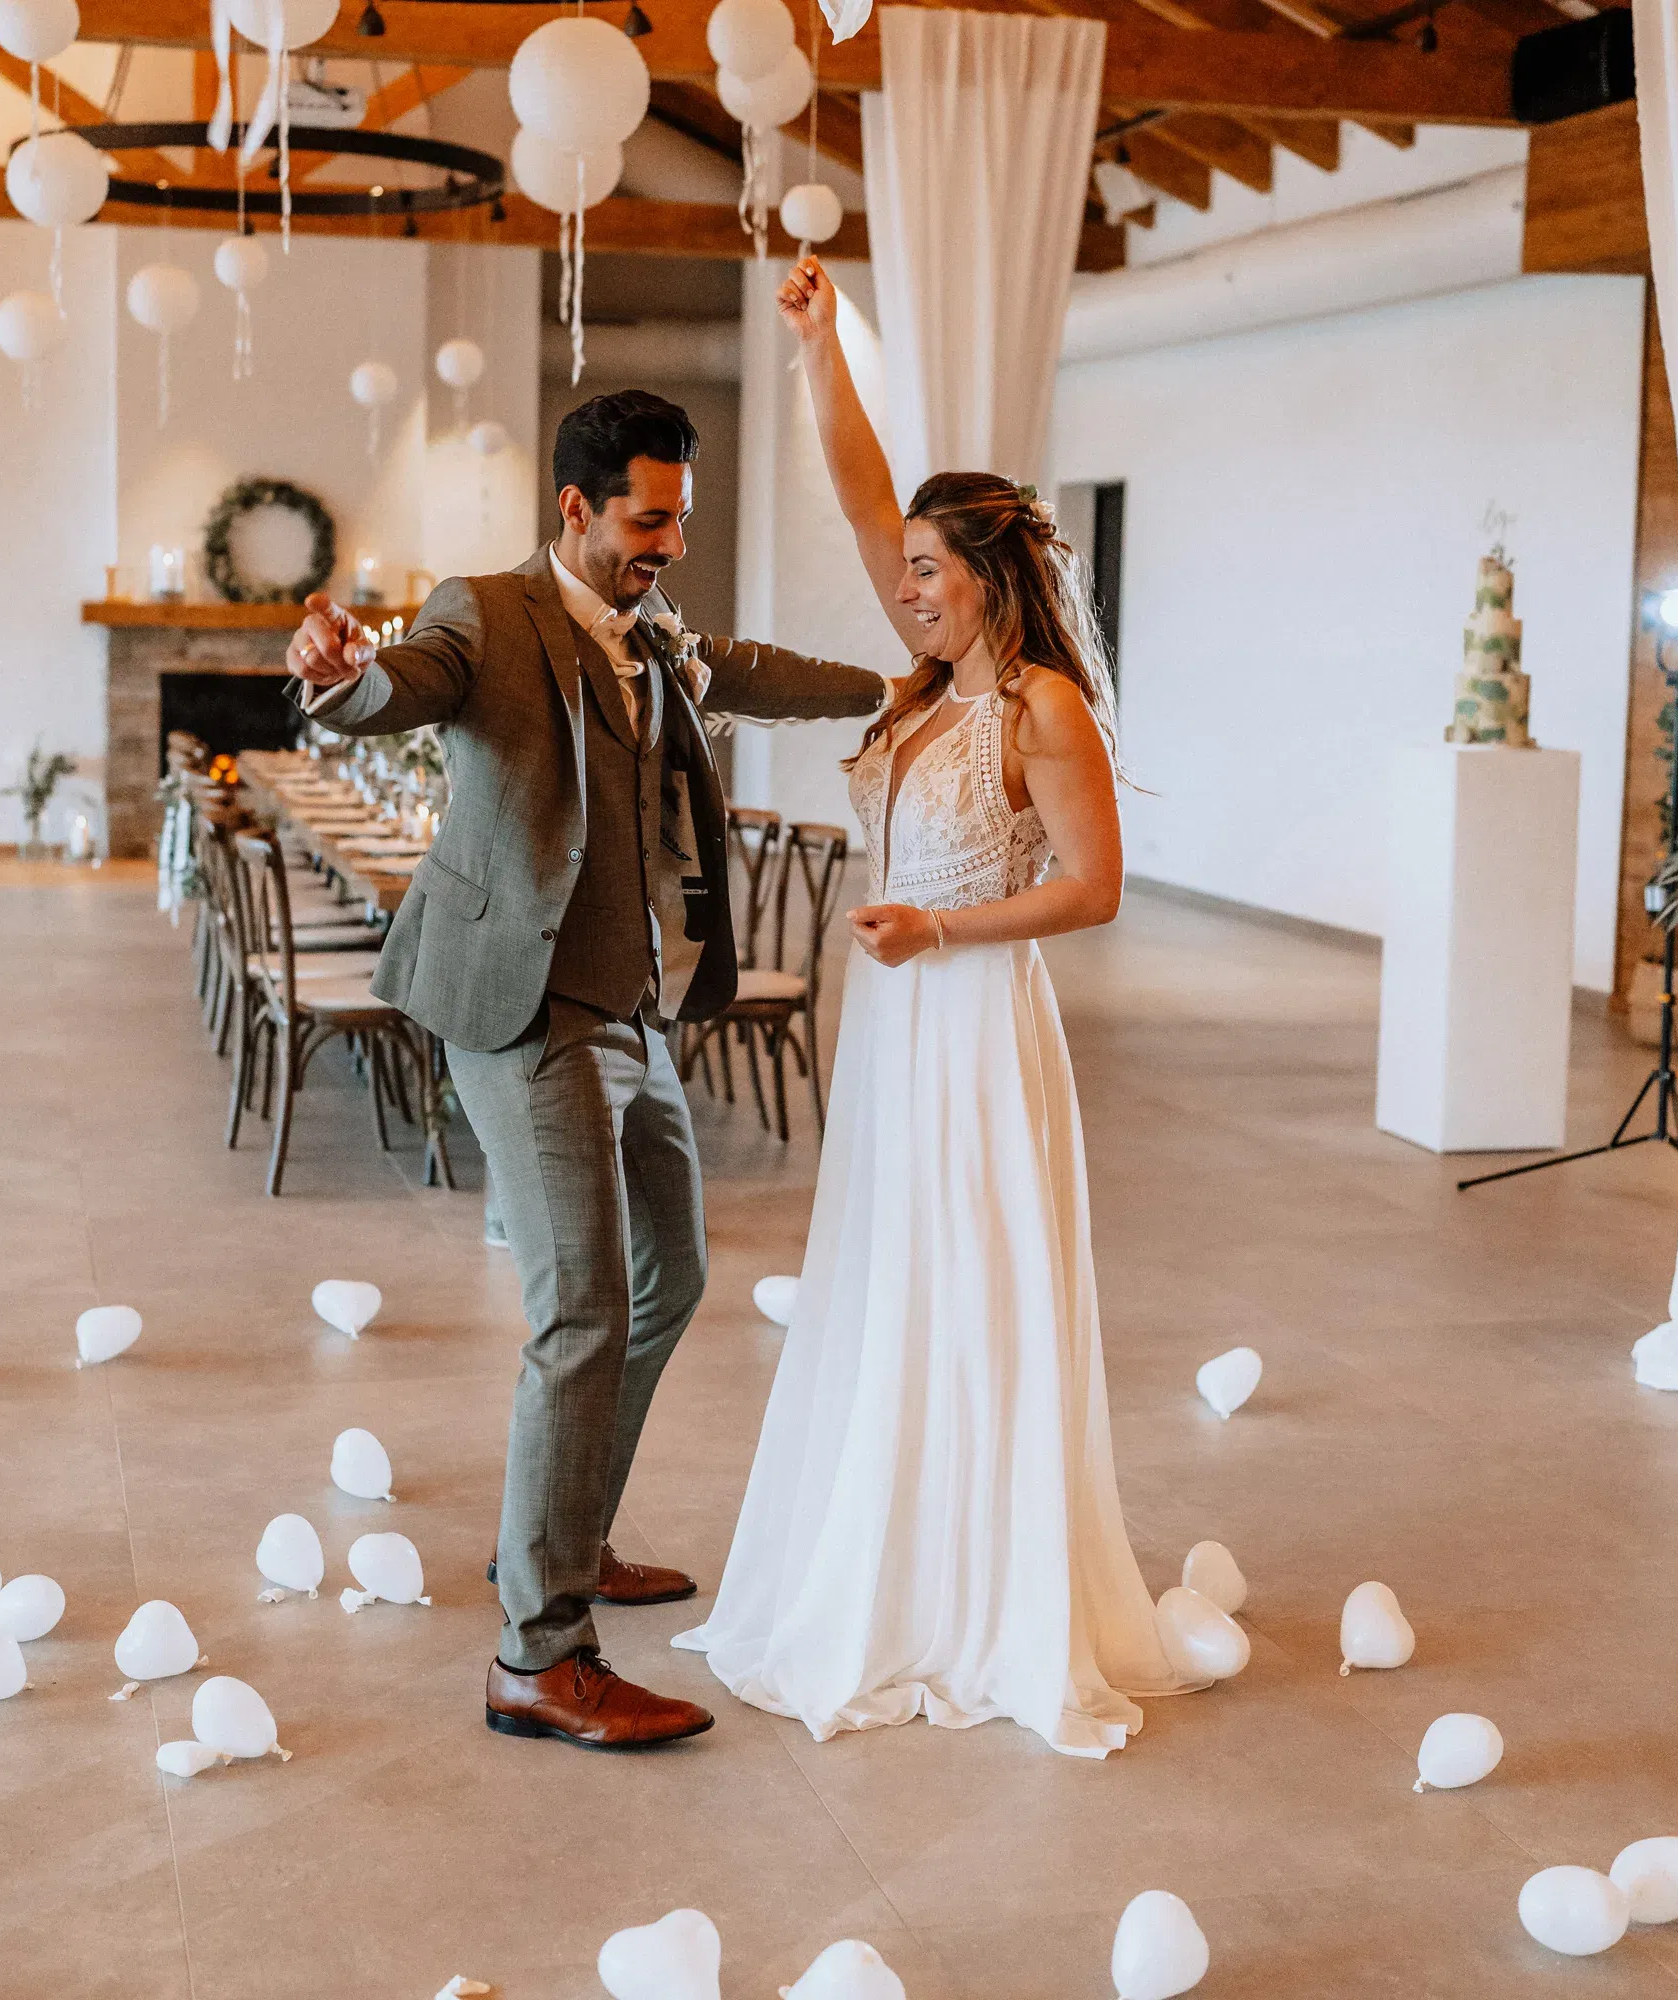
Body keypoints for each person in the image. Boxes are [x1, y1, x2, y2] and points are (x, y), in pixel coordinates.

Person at [287, 390, 886, 1750]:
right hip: (521, 1011)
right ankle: (537, 1655)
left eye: (682, 516)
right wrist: (334, 675)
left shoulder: (654, 621)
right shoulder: (486, 615)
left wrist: (899, 687)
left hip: (635, 1010)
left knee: (674, 1276)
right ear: (576, 507)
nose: (670, 542)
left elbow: (741, 669)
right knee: (584, 1312)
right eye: (649, 518)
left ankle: (560, 1537)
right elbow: (397, 687)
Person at [672, 260, 1208, 1759]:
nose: (902, 585)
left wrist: (943, 927)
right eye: (900, 566)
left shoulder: (1041, 706)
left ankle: (982, 1594)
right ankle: (887, 1556)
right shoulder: (919, 691)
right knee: (895, 1281)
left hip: (974, 1022)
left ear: (991, 572)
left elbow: (1095, 891)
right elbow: (856, 493)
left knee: (977, 1283)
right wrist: (814, 345)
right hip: (901, 1023)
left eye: (926, 567)